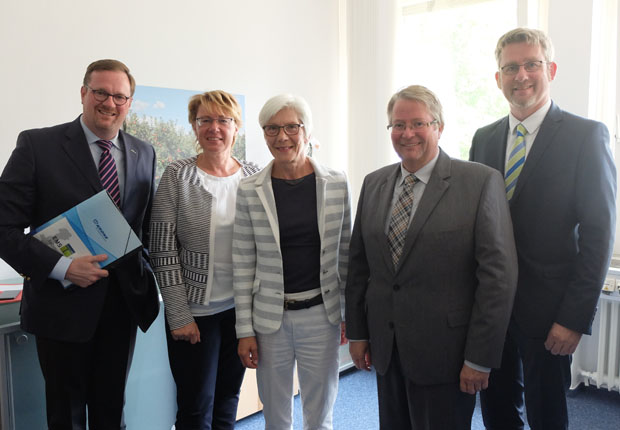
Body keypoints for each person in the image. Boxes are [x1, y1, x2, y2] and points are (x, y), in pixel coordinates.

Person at [345, 85, 518, 429]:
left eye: (418, 123)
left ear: (439, 126)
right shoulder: (374, 183)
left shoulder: (479, 182)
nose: (407, 133)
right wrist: (359, 333)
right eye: (398, 125)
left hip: (448, 355)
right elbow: (359, 266)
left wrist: (480, 359)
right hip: (387, 349)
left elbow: (498, 279)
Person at [469, 28, 616, 430]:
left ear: (549, 69)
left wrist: (574, 317)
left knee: (547, 413)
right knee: (496, 408)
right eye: (510, 67)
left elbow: (599, 235)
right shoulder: (484, 140)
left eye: (531, 64)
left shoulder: (586, 136)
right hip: (493, 308)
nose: (521, 76)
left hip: (551, 311)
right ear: (497, 78)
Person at [0, 59, 159, 429]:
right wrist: (63, 266)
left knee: (111, 408)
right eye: (101, 92)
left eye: (120, 96)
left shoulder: (143, 152)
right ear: (84, 93)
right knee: (66, 414)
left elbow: (144, 227)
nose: (110, 103)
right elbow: (4, 228)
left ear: (129, 102)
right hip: (61, 304)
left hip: (123, 304)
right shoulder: (38, 145)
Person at [233, 94, 351, 430]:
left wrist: (347, 314)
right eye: (271, 129)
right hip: (270, 320)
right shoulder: (250, 189)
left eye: (291, 127)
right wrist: (245, 330)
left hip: (321, 315)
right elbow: (243, 263)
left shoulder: (336, 182)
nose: (281, 137)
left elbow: (346, 252)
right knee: (276, 415)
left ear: (306, 130)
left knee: (320, 413)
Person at [149, 90, 259, 429]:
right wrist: (179, 315)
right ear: (194, 128)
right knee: (196, 408)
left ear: (236, 127)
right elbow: (162, 248)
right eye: (205, 120)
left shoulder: (254, 175)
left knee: (228, 399)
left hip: (241, 312)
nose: (214, 128)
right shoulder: (177, 176)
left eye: (223, 120)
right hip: (197, 313)